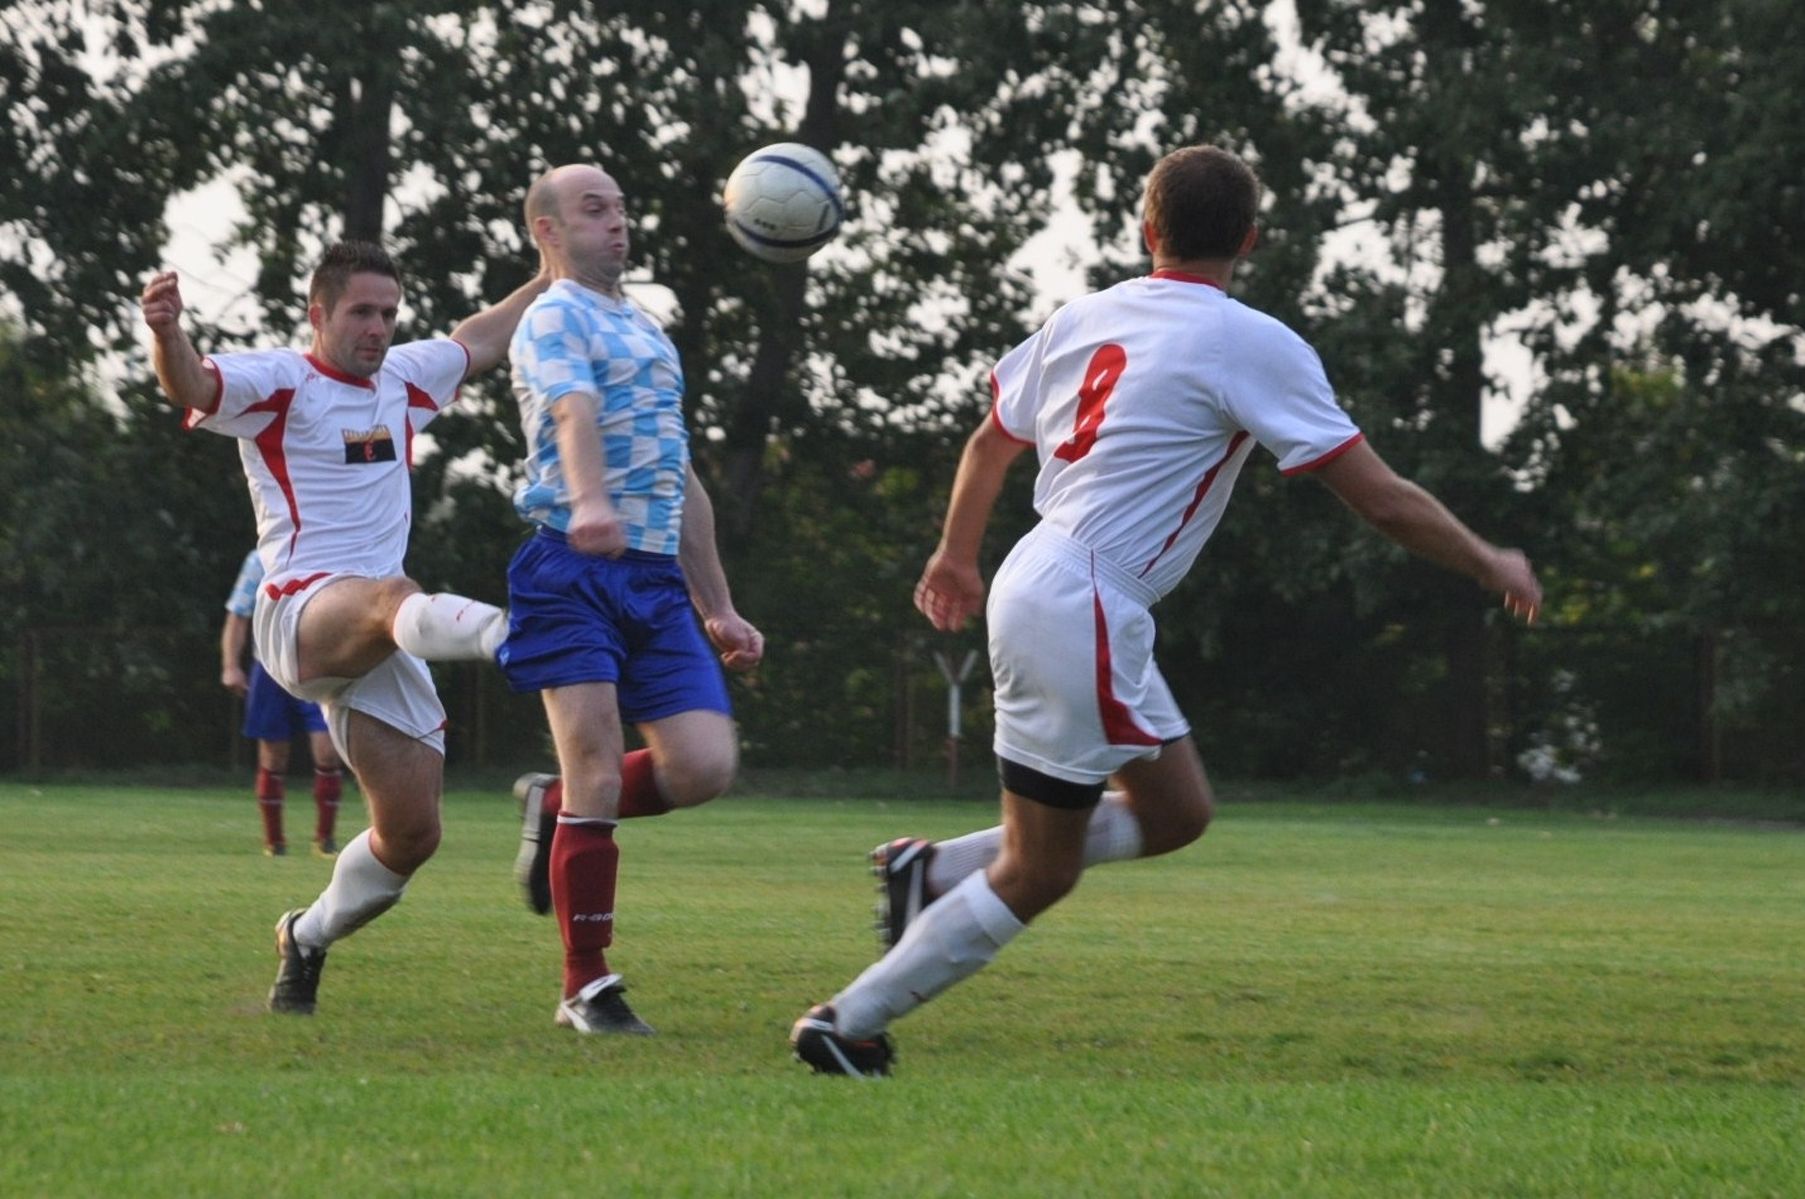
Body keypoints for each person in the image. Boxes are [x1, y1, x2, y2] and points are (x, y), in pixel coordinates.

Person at [789, 145, 1543, 1077]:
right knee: (1040, 867)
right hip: (1086, 601)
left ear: (1146, 230)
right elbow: (1380, 498)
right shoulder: (1248, 338)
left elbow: (991, 441)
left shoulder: (1085, 314)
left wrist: (953, 553)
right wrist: (1486, 558)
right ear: (1251, 239)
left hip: (1053, 582)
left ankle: (929, 875)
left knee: (1177, 809)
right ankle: (848, 1020)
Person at [140, 239, 551, 1015]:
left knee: (412, 837)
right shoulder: (282, 381)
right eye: (362, 311)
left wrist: (551, 273)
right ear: (318, 313)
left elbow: (483, 338)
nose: (378, 327)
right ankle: (522, 637)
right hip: (300, 614)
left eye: (389, 313)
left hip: (382, 635)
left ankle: (306, 935)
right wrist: (166, 332)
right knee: (390, 594)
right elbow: (189, 383)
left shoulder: (401, 378)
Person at [497, 163, 764, 1036]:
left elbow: (680, 477)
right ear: (547, 232)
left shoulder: (647, 330)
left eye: (619, 208)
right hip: (568, 570)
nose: (616, 223)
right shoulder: (550, 316)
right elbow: (573, 414)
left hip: (651, 581)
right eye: (592, 210)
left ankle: (555, 807)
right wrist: (588, 501)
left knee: (703, 767)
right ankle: (586, 983)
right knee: (599, 769)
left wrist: (717, 604)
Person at [221, 547, 346, 857]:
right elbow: (238, 615)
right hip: (270, 670)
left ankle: (324, 838)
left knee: (328, 752)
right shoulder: (259, 560)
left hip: (316, 668)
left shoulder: (325, 554)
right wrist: (230, 665)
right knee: (273, 757)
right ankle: (274, 842)